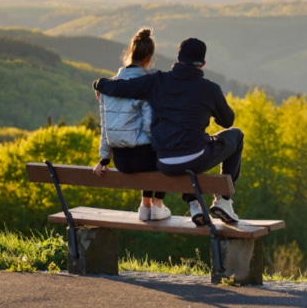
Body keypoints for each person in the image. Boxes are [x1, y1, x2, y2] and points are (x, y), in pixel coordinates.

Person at [92, 37, 243, 226]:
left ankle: (195, 203)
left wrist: (99, 84)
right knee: (236, 135)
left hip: (164, 162)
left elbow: (122, 87)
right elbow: (227, 121)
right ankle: (224, 201)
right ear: (203, 64)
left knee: (183, 151)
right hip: (196, 157)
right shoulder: (210, 89)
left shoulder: (157, 81)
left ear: (178, 58)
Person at [92, 27, 171, 221]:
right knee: (163, 152)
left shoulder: (109, 86)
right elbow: (149, 127)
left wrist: (104, 159)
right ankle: (157, 205)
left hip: (121, 161)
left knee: (148, 149)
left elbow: (106, 128)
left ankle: (145, 205)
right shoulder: (145, 86)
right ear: (149, 57)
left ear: (130, 53)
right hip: (143, 159)